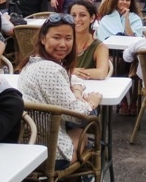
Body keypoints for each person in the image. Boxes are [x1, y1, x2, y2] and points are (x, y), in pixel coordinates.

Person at [19, 14, 103, 162]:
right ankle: (89, 175)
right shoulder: (51, 69)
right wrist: (92, 102)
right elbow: (79, 116)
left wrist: (77, 91)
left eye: (68, 38)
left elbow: (72, 78)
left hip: (30, 145)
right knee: (85, 135)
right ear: (43, 39)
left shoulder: (32, 62)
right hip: (51, 154)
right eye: (56, 37)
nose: (63, 44)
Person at [70, 0, 110, 80]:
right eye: (73, 15)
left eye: (82, 15)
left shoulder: (100, 47)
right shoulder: (62, 43)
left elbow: (101, 73)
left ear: (92, 18)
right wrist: (70, 71)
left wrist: (71, 72)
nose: (77, 19)